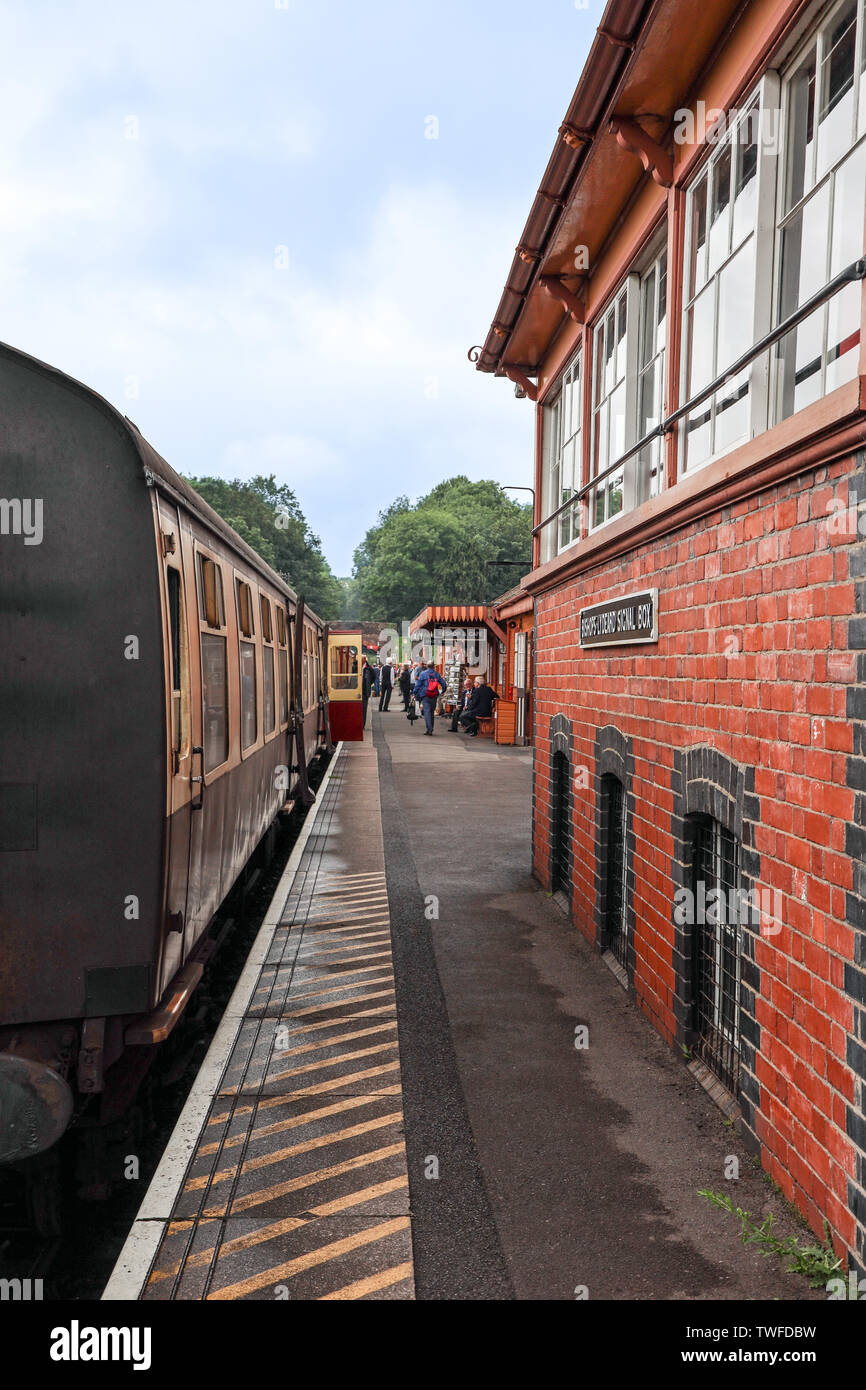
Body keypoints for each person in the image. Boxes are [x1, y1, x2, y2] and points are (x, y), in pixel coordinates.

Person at [413, 660, 447, 735]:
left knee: (427, 712)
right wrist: (442, 691)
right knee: (431, 712)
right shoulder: (436, 674)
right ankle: (430, 728)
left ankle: (429, 729)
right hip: (434, 695)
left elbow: (418, 684)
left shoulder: (423, 674)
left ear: (427, 666)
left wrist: (414, 693)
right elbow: (443, 684)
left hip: (425, 695)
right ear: (433, 666)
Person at [361, 657, 375, 727]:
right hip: (357, 690)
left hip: (364, 691)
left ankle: (362, 725)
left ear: (364, 660)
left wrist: (368, 684)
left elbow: (374, 677)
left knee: (364, 709)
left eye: (361, 659)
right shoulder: (355, 666)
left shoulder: (369, 668)